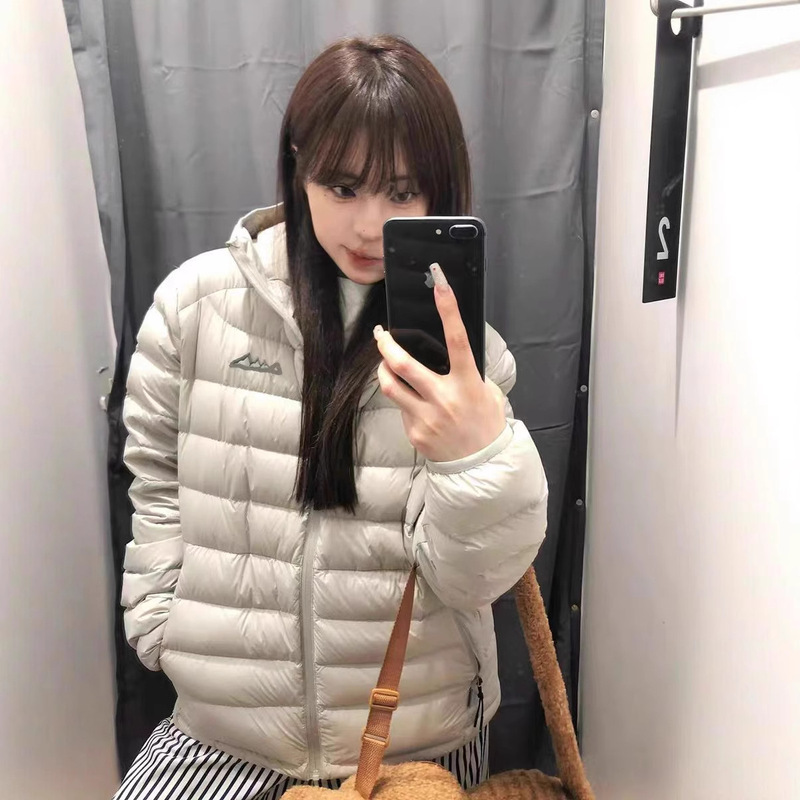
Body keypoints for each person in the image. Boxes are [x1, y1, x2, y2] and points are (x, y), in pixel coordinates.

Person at [114, 34, 548, 800]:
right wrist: (159, 619)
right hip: (223, 734)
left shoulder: (469, 357)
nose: (370, 224)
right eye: (343, 187)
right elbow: (155, 472)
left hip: (417, 743)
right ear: (300, 169)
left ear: (441, 189)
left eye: (402, 193)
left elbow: (474, 580)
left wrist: (474, 457)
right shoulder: (196, 307)